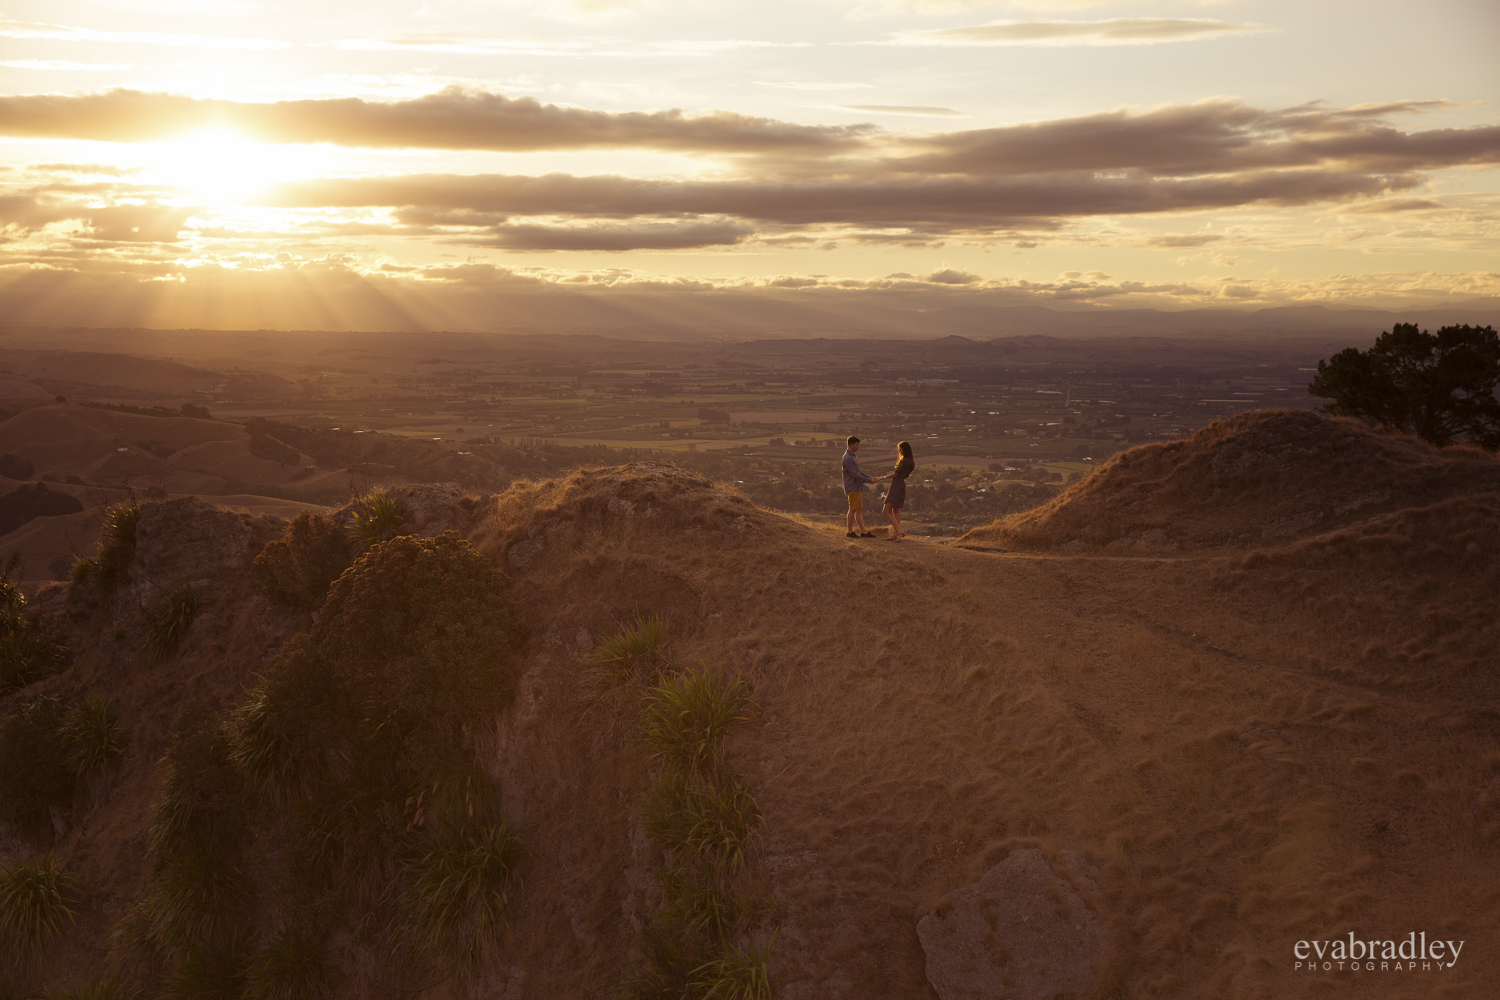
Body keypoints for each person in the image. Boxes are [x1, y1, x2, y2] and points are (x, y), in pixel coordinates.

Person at [841, 435, 877, 538]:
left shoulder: (852, 456)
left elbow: (858, 471)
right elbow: (855, 474)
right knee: (852, 509)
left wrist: (869, 477)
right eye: (857, 445)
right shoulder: (848, 458)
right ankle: (849, 531)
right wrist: (869, 480)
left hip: (857, 486)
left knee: (859, 509)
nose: (858, 447)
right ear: (851, 445)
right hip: (852, 486)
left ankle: (863, 532)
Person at [881, 440, 915, 540]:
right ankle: (896, 535)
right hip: (901, 486)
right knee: (896, 512)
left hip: (896, 485)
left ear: (904, 450)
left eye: (900, 449)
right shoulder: (910, 461)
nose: (899, 451)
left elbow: (895, 474)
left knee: (886, 511)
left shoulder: (904, 461)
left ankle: (899, 532)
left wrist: (881, 478)